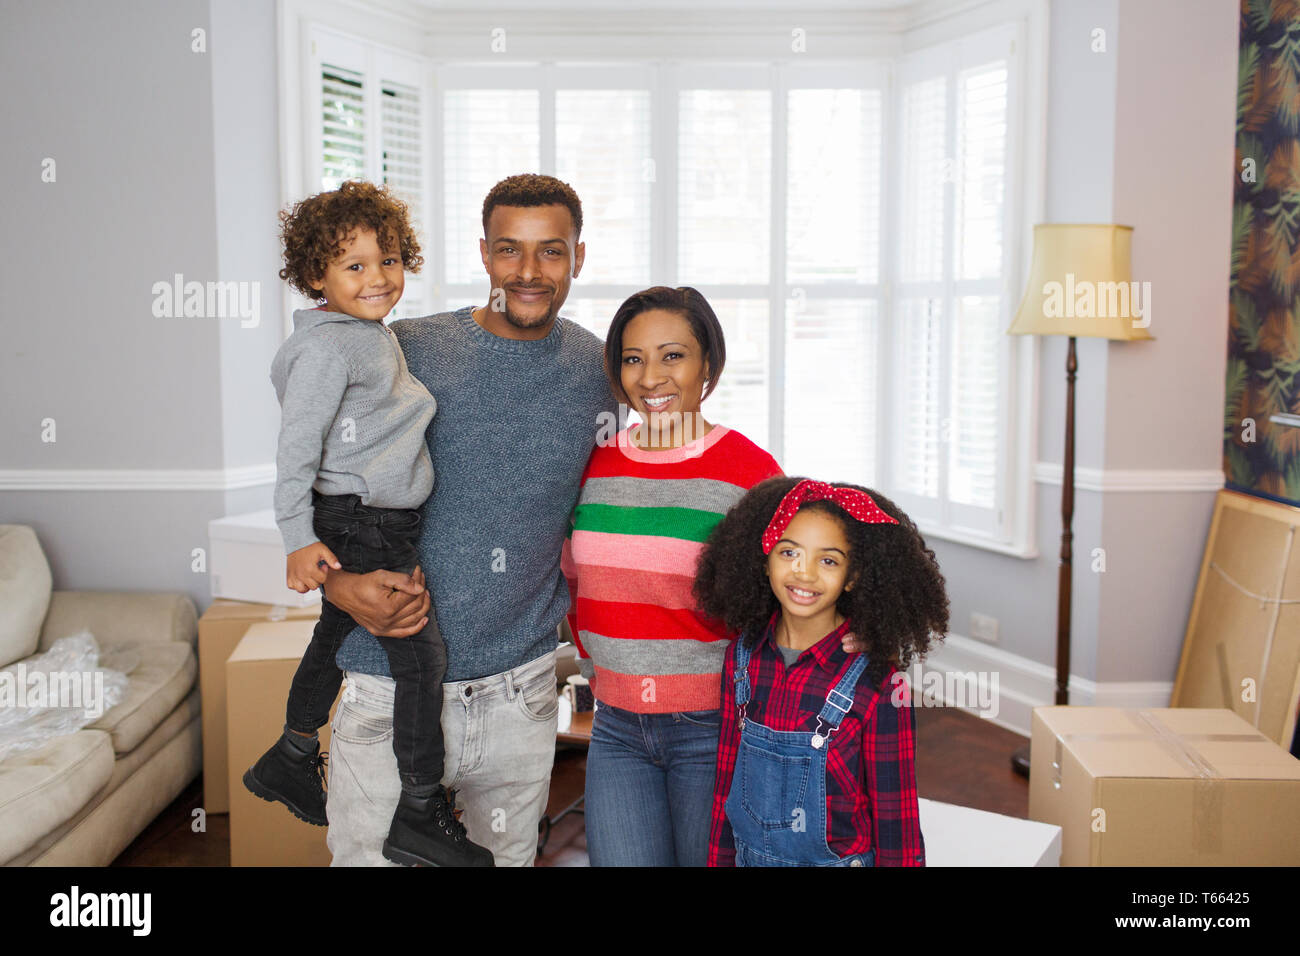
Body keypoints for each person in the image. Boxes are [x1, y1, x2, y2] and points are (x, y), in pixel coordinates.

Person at [320, 174, 617, 867]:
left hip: (519, 694)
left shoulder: (596, 371)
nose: (528, 272)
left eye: (551, 252)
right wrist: (337, 586)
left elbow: (607, 506)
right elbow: (319, 477)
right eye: (510, 250)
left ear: (579, 257)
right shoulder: (404, 349)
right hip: (386, 683)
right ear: (484, 254)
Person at [563, 286, 865, 866]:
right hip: (616, 725)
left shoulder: (749, 471)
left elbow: (809, 574)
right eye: (633, 358)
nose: (651, 377)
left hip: (713, 725)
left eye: (672, 355)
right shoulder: (597, 462)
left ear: (709, 366)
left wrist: (860, 625)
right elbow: (576, 582)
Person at [247, 180, 492, 867]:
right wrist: (298, 537)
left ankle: (292, 752)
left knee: (333, 632)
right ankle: (418, 809)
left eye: (388, 260)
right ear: (315, 276)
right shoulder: (334, 348)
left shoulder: (361, 335)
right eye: (354, 266)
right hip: (363, 524)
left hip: (373, 520)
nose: (378, 277)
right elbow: (296, 448)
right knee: (423, 659)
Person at [694, 477, 949, 866]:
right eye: (788, 552)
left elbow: (896, 819)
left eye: (828, 560)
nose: (805, 573)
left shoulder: (878, 682)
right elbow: (725, 783)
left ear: (853, 577)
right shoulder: (741, 660)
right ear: (763, 560)